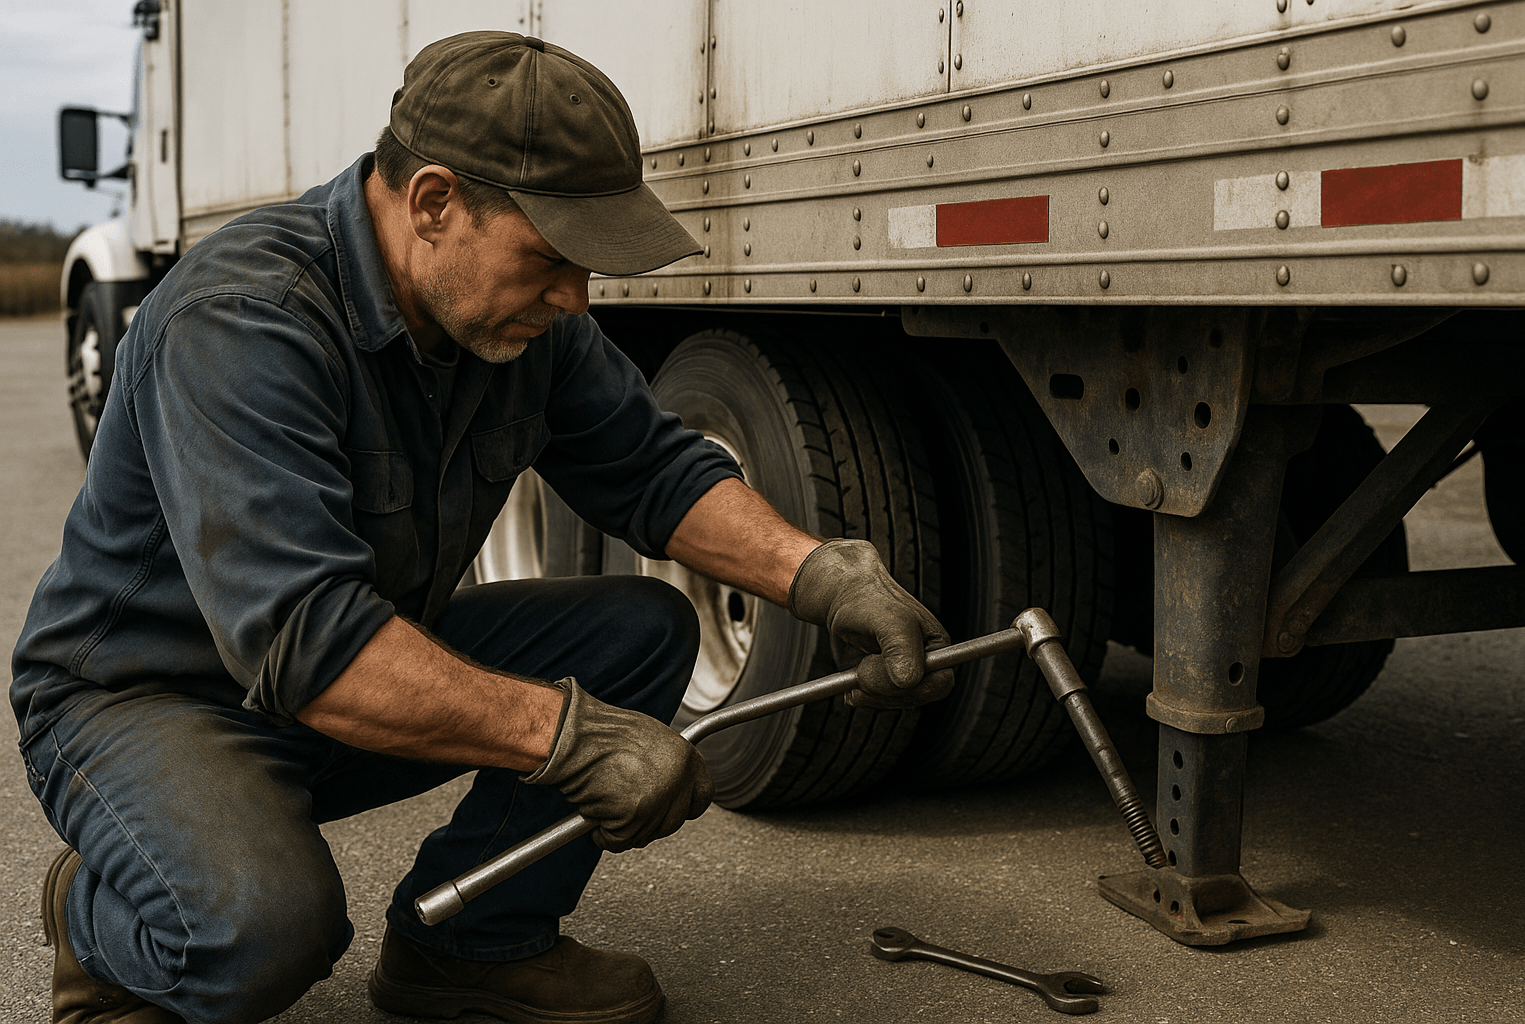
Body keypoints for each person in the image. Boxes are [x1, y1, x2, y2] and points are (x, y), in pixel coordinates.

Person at [12, 31, 952, 1024]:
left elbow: (654, 470)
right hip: (146, 703)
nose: (576, 297)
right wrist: (566, 737)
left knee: (640, 632)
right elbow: (309, 640)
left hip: (325, 678)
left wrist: (824, 575)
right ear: (432, 203)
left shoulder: (512, 320)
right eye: (551, 258)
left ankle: (469, 946)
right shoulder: (242, 320)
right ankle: (104, 915)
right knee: (265, 929)